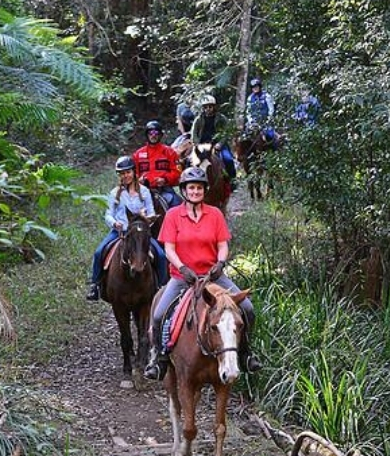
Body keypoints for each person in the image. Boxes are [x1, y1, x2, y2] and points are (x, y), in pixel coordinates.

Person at [143, 167, 262, 381]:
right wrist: (182, 268)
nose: (195, 192)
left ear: (204, 190)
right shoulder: (172, 215)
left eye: (199, 188)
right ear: (184, 190)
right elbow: (169, 249)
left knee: (247, 308)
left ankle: (245, 352)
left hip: (213, 276)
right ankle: (159, 358)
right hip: (183, 278)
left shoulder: (215, 214)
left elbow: (223, 244)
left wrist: (220, 262)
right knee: (160, 314)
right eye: (191, 188)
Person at [87, 155, 167, 301]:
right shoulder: (114, 193)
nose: (126, 176)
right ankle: (95, 285)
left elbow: (151, 212)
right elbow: (108, 214)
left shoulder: (144, 192)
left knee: (161, 254)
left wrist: (146, 219)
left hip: (140, 232)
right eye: (122, 173)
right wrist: (114, 223)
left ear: (134, 172)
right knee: (99, 252)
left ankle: (162, 286)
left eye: (128, 172)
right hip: (120, 231)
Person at [133, 120, 182, 209]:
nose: (153, 135)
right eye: (150, 133)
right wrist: (138, 180)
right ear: (147, 135)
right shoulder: (138, 154)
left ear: (160, 135)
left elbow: (177, 172)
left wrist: (165, 179)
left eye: (156, 133)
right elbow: (133, 174)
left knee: (179, 206)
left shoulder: (170, 152)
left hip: (164, 189)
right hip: (142, 191)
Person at [190, 94, 237, 182]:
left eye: (210, 106)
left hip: (217, 145)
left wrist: (220, 143)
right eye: (205, 107)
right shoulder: (198, 119)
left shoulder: (221, 118)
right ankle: (189, 180)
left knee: (228, 159)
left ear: (214, 107)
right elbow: (194, 133)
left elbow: (226, 132)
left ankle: (232, 180)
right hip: (202, 145)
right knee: (190, 161)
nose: (208, 109)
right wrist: (196, 144)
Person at [245, 77, 279, 145]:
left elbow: (271, 110)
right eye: (253, 87)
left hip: (265, 122)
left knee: (271, 135)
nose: (255, 88)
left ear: (259, 86)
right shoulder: (250, 98)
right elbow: (248, 112)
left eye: (256, 86)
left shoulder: (266, 96)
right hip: (253, 123)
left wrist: (267, 121)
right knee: (244, 137)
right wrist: (251, 121)